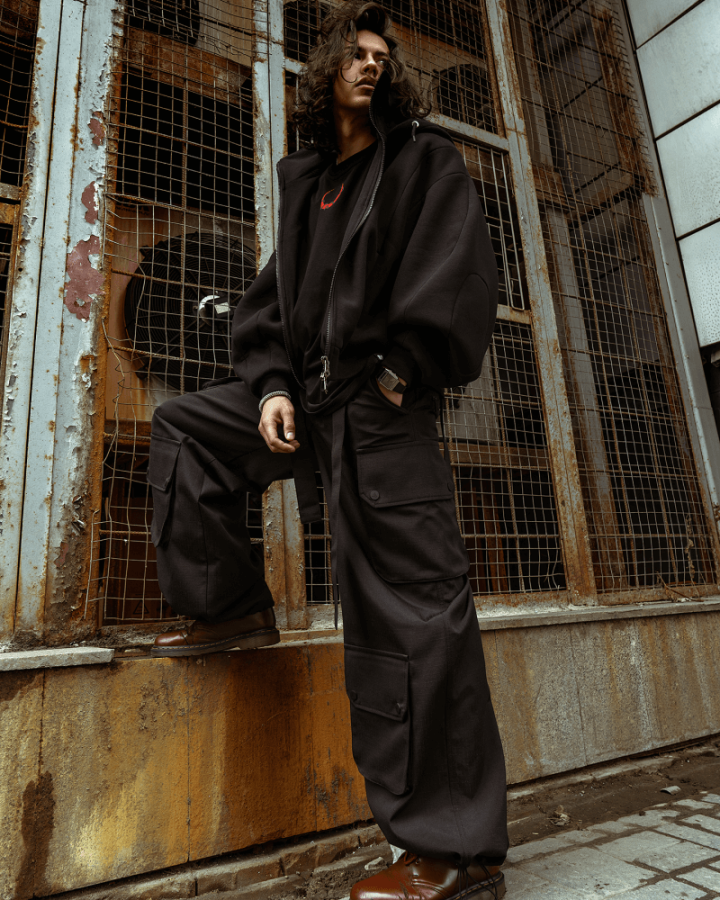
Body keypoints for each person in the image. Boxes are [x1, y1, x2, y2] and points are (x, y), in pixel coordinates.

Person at [147, 2, 508, 897]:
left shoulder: (423, 162)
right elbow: (272, 306)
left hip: (379, 414)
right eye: (356, 50)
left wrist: (400, 372)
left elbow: (459, 270)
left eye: (384, 54)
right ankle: (228, 606)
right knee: (188, 428)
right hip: (309, 404)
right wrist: (271, 387)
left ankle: (452, 853)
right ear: (326, 70)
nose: (372, 62)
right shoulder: (309, 187)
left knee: (413, 618)